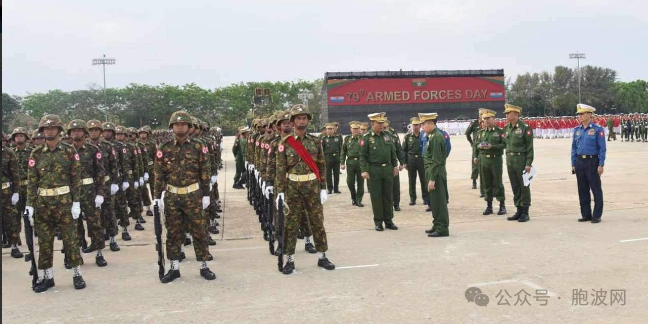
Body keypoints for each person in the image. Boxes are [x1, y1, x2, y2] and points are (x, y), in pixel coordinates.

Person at [25, 114, 87, 292]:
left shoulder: (69, 152)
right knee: (45, 242)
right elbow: (32, 182)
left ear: (59, 131)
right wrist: (29, 205)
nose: (49, 131)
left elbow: (76, 179)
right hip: (43, 204)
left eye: (52, 128)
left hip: (64, 202)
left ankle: (77, 274)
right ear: (42, 131)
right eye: (45, 128)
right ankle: (48, 277)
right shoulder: (36, 153)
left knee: (71, 240)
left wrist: (76, 202)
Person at [154, 111, 216, 282]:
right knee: (173, 233)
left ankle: (203, 266)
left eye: (183, 124)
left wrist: (206, 194)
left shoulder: (198, 146)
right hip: (172, 196)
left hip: (194, 195)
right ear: (172, 127)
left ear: (189, 127)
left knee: (199, 232)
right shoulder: (164, 148)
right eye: (176, 124)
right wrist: (157, 196)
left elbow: (205, 171)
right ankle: (174, 268)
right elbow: (159, 174)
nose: (180, 127)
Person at [275, 104, 335, 274]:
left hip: (312, 187)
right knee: (291, 224)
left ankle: (322, 256)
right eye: (298, 118)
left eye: (304, 118)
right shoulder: (285, 143)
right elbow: (280, 169)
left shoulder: (316, 141)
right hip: (292, 187)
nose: (301, 121)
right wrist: (279, 192)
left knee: (317, 222)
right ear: (293, 121)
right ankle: (289, 259)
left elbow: (321, 166)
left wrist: (323, 188)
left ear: (308, 120)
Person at [67, 119, 108, 266]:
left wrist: (100, 193)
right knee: (73, 224)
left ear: (84, 133)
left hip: (89, 191)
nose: (75, 133)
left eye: (78, 130)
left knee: (94, 223)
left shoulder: (93, 150)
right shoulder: (65, 150)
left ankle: (99, 252)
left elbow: (100, 173)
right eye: (73, 131)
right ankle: (76, 253)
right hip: (71, 193)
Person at [360, 112, 399, 231]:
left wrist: (395, 166)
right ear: (372, 123)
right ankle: (378, 221)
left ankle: (389, 220)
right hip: (374, 169)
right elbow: (362, 156)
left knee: (388, 196)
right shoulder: (366, 138)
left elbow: (393, 152)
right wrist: (364, 170)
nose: (382, 125)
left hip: (387, 169)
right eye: (379, 123)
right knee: (376, 196)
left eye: (383, 123)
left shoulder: (388, 135)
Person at [87, 120, 121, 251]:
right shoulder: (84, 147)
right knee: (93, 216)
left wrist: (114, 182)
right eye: (91, 130)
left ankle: (112, 239)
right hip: (90, 186)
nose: (93, 132)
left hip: (106, 184)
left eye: (96, 130)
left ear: (100, 132)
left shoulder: (107, 146)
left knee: (108, 212)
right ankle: (96, 241)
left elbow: (114, 166)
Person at [571, 104, 606, 223]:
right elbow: (574, 148)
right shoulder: (577, 130)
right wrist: (573, 163)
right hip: (580, 162)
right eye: (578, 114)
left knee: (595, 189)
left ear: (589, 114)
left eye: (582, 113)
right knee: (582, 189)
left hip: (592, 161)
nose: (579, 116)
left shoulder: (597, 130)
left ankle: (597, 215)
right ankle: (586, 214)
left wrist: (601, 164)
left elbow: (602, 148)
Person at [420, 113, 450, 237]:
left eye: (424, 124)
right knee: (434, 201)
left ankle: (442, 228)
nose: (422, 127)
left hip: (435, 173)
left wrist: (432, 179)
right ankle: (437, 224)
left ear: (432, 123)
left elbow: (437, 160)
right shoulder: (431, 136)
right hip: (431, 171)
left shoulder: (437, 137)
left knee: (439, 202)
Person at [503, 104, 534, 222]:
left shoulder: (525, 127)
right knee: (515, 186)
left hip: (521, 160)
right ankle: (519, 209)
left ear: (515, 114)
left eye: (508, 113)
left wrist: (528, 163)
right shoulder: (507, 128)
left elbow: (530, 147)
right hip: (510, 161)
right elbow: (504, 143)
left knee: (524, 186)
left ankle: (525, 211)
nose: (506, 115)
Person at [103, 123, 133, 241]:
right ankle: (106, 230)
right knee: (106, 208)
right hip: (104, 181)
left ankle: (124, 229)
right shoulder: (100, 146)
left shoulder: (120, 146)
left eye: (109, 131)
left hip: (117, 179)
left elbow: (124, 164)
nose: (107, 133)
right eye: (105, 131)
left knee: (121, 205)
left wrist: (125, 179)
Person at [474, 109, 507, 216]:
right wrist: (477, 152)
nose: (486, 121)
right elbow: (476, 145)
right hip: (484, 160)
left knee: (498, 182)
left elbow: (504, 145)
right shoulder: (481, 133)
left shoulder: (500, 132)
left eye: (489, 118)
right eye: (485, 119)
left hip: (495, 159)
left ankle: (502, 206)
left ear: (494, 119)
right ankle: (489, 206)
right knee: (486, 183)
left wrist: (492, 146)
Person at [2, 133, 23, 258]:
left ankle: (14, 246)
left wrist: (16, 192)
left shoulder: (9, 153)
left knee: (10, 220)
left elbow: (15, 174)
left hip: (5, 191)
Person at [402, 117, 428, 207]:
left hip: (422, 159)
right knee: (411, 180)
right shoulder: (408, 136)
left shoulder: (424, 135)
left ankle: (425, 198)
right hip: (411, 159)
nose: (415, 127)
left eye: (417, 125)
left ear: (420, 126)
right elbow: (403, 150)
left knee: (424, 180)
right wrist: (404, 162)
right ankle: (412, 199)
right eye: (414, 125)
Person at [341, 121, 365, 207]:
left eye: (357, 129)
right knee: (350, 182)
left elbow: (367, 152)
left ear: (359, 129)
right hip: (350, 162)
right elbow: (343, 151)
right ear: (351, 129)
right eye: (353, 129)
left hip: (360, 162)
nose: (355, 130)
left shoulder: (363, 138)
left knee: (360, 182)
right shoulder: (347, 139)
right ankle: (353, 197)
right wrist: (342, 162)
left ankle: (358, 200)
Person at [383, 119, 405, 211]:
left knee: (395, 186)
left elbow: (399, 150)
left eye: (386, 127)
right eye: (383, 127)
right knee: (384, 187)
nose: (384, 128)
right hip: (380, 166)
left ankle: (396, 204)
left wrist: (402, 163)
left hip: (392, 164)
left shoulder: (393, 137)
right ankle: (386, 204)